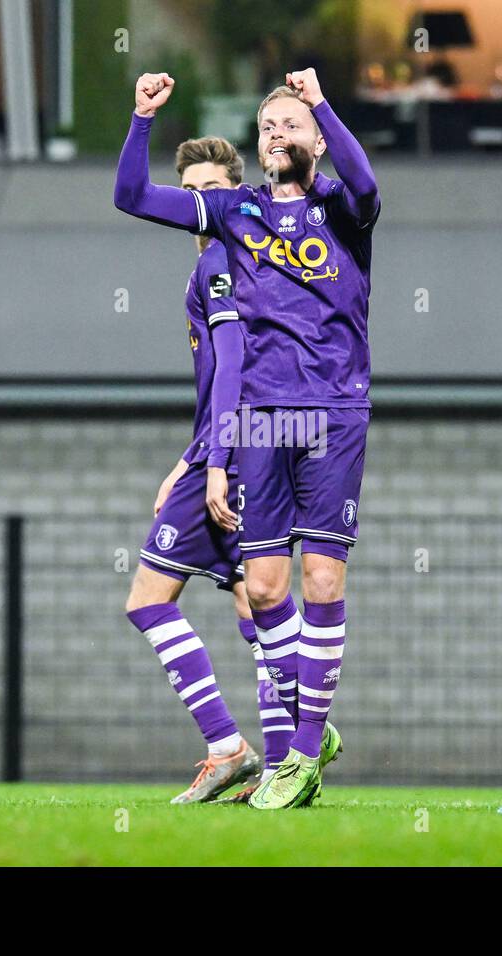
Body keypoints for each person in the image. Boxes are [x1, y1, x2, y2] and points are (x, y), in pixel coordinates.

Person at [115, 67, 379, 809]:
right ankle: (307, 733)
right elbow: (131, 196)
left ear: (317, 140)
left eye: (290, 124)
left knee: (322, 581)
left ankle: (295, 756)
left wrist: (320, 100)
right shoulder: (235, 213)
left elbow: (367, 183)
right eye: (266, 126)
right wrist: (141, 119)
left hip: (332, 414)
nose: (275, 133)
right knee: (262, 591)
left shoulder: (344, 209)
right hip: (260, 423)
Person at [124, 135, 295, 804]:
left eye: (212, 191)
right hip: (253, 446)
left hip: (231, 455)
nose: (199, 203)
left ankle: (229, 746)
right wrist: (190, 455)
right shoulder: (246, 259)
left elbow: (229, 369)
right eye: (189, 191)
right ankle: (288, 759)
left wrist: (210, 462)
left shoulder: (218, 262)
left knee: (147, 599)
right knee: (255, 600)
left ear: (236, 194)